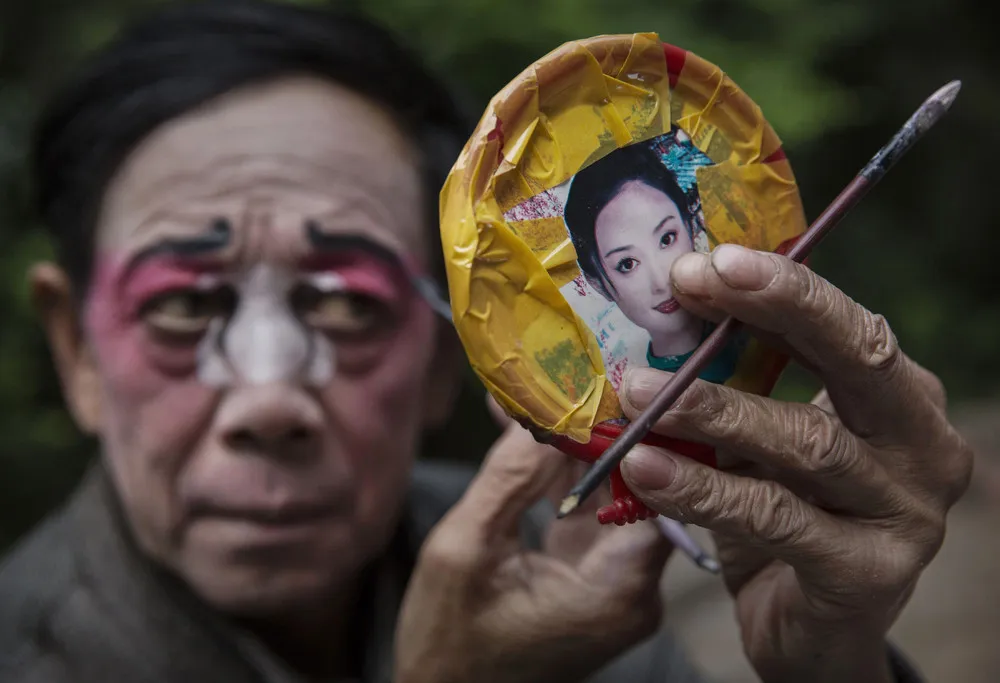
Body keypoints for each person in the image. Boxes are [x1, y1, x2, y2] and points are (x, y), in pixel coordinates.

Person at [0, 2, 972, 683]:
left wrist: (829, 666)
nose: (267, 399)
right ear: (76, 349)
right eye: (181, 307)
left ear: (440, 351)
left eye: (346, 301)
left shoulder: (570, 581)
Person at [563, 136, 741, 383]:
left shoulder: (763, 331)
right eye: (627, 264)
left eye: (667, 239)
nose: (661, 280)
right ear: (598, 284)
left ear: (690, 227)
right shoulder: (620, 407)